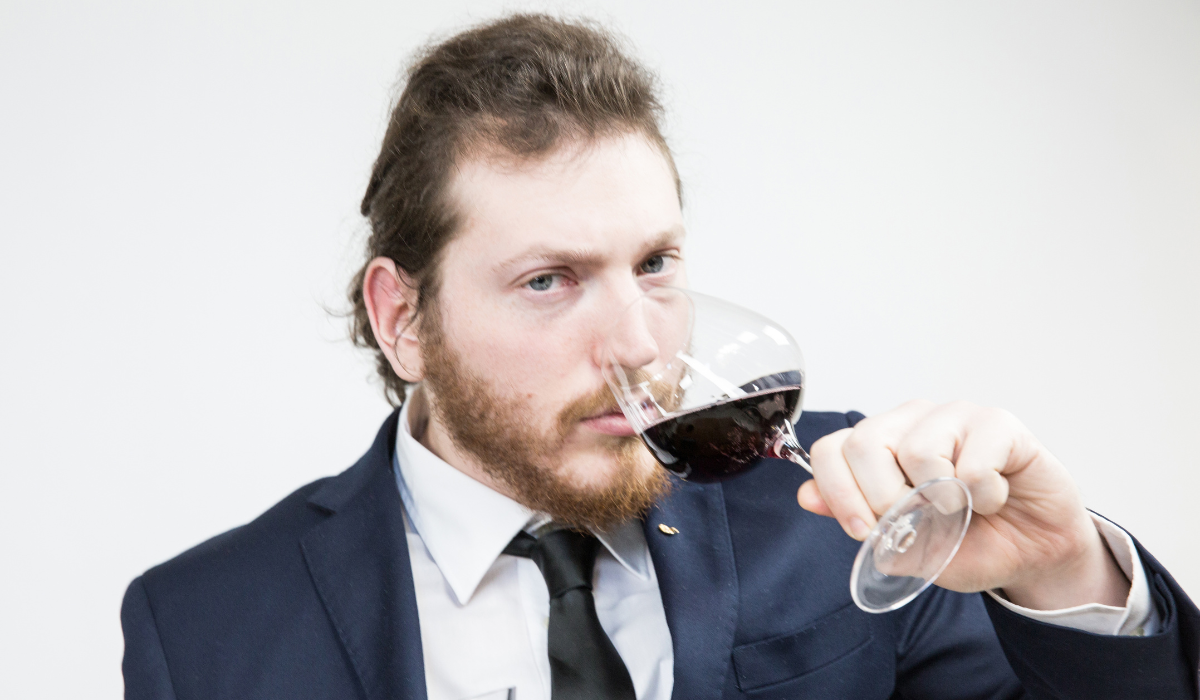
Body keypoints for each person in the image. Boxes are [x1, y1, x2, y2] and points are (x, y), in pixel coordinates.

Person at [120, 13, 1199, 700]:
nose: (640, 342)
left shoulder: (856, 513)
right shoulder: (202, 626)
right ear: (403, 318)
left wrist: (1064, 572)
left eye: (655, 263)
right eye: (549, 281)